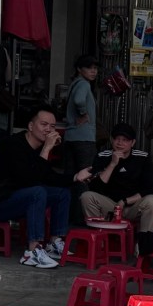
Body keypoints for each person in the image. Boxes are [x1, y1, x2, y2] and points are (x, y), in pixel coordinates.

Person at [0, 107, 77, 268]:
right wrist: (46, 149)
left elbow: (48, 176)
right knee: (37, 192)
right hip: (0, 204)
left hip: (21, 200)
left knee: (62, 193)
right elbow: (28, 180)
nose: (49, 129)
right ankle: (32, 251)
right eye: (44, 124)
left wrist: (75, 177)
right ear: (31, 126)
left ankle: (54, 243)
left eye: (52, 126)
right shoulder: (13, 145)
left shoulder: (39, 148)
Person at [75, 123, 153, 234]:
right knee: (86, 197)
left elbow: (150, 188)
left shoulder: (142, 157)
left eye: (125, 140)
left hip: (133, 206)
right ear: (112, 140)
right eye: (117, 139)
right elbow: (95, 188)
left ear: (133, 142)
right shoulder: (103, 156)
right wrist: (112, 164)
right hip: (110, 205)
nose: (120, 143)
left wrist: (125, 201)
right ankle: (99, 238)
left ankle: (144, 240)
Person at [64, 55, 100, 219]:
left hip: (70, 138)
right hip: (84, 139)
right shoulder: (84, 84)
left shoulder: (74, 84)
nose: (93, 71)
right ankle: (83, 216)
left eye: (95, 68)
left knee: (72, 178)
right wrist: (84, 113)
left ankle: (70, 215)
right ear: (79, 69)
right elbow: (79, 101)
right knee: (85, 177)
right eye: (89, 68)